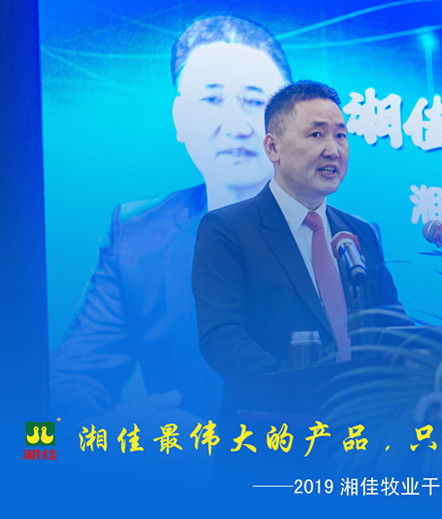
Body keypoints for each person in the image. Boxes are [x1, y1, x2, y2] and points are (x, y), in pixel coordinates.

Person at [50, 16, 291, 426]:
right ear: (180, 119)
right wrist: (107, 430)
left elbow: (378, 387)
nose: (236, 126)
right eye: (212, 100)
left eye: (254, 102)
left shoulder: (344, 240)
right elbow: (70, 380)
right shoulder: (137, 236)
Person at [192, 80, 411, 416]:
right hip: (273, 430)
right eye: (316, 134)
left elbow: (390, 322)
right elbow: (222, 338)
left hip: (365, 432)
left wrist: (431, 366)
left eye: (341, 135)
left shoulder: (360, 233)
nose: (333, 150)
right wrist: (307, 393)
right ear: (273, 147)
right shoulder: (228, 229)